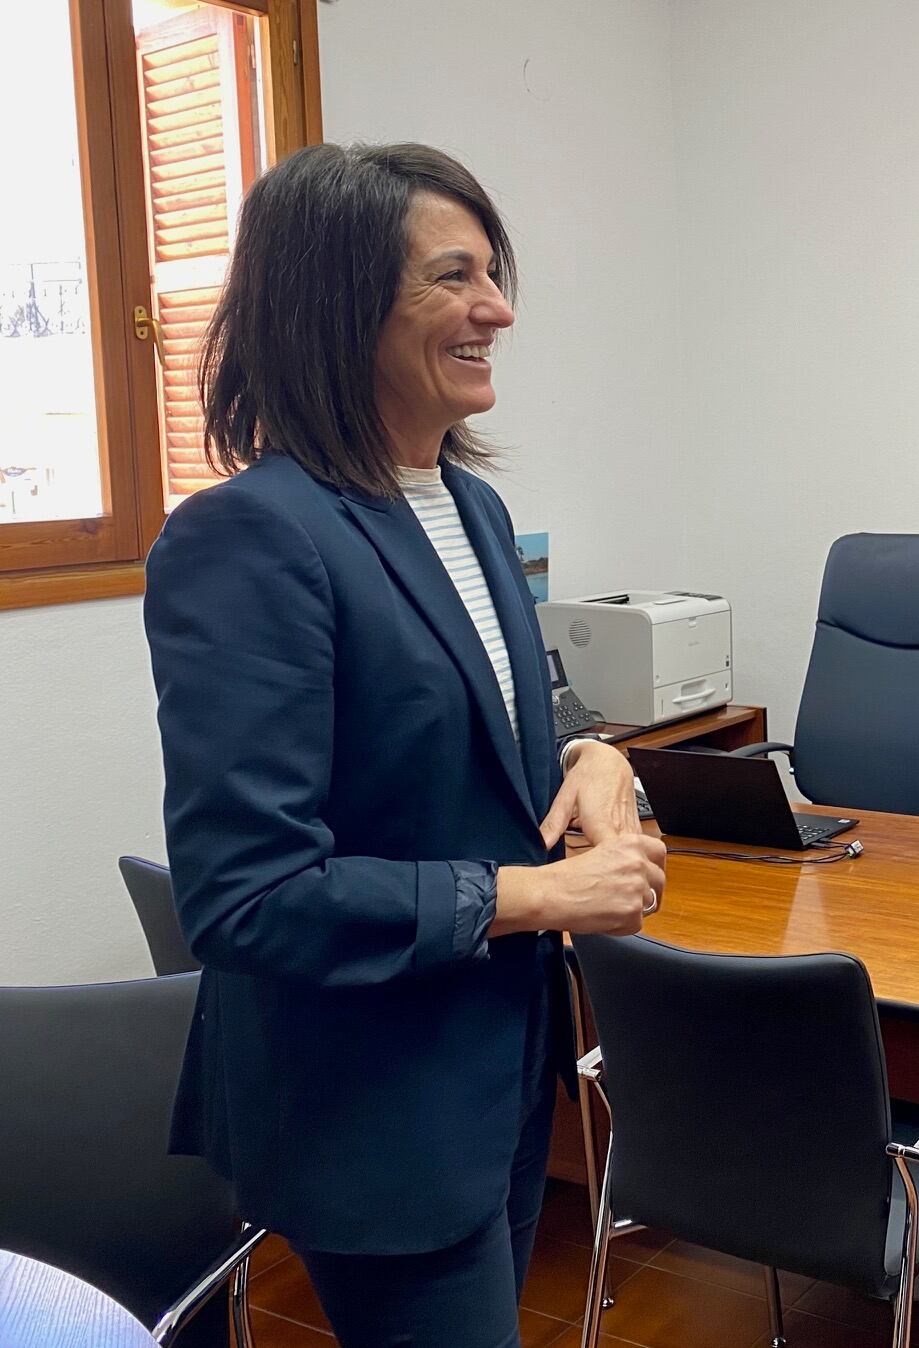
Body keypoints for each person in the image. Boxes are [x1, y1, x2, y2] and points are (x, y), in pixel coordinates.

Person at [143, 143, 667, 1348]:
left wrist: (593, 755)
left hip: (498, 1060)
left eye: (494, 274)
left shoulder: (470, 506)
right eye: (454, 278)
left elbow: (498, 715)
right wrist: (536, 892)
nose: (499, 309)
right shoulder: (249, 540)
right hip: (373, 1102)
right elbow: (248, 892)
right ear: (341, 305)